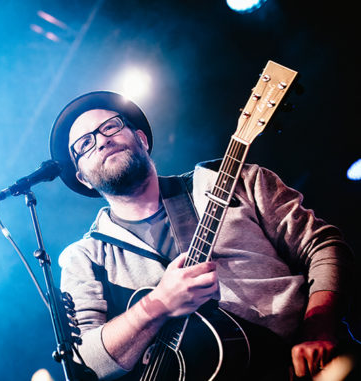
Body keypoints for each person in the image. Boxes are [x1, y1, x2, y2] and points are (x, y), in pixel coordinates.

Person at [48, 91, 355, 380]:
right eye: (84, 145)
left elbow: (324, 246)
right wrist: (159, 304)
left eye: (110, 127)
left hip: (304, 367)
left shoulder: (237, 180)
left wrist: (320, 326)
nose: (101, 141)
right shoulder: (83, 258)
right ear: (83, 179)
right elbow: (86, 363)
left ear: (141, 138)